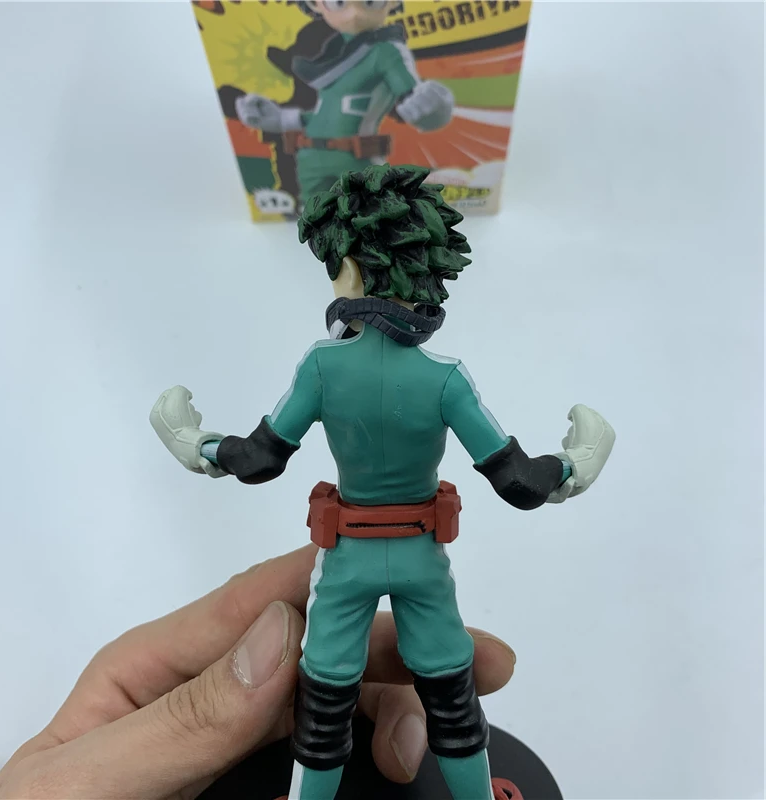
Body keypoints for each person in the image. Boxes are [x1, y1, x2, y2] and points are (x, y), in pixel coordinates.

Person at [148, 165, 615, 799]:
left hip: (347, 559)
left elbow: (259, 459)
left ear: (354, 269)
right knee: (451, 694)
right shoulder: (446, 378)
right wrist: (574, 463)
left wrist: (196, 443)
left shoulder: (322, 367)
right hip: (423, 558)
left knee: (325, 699)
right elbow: (521, 483)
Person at [0, 546, 517, 799]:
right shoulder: (327, 371)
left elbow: (506, 463)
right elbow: (264, 447)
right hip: (356, 561)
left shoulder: (435, 377)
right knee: (328, 703)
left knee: (447, 691)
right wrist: (211, 449)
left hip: (409, 558)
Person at [235, 0, 454, 204]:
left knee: (367, 216)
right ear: (315, 4)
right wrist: (282, 119)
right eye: (338, 2)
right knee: (314, 218)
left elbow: (415, 99)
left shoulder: (385, 52)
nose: (354, 13)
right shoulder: (332, 57)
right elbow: (327, 112)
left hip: (355, 158)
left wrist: (435, 108)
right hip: (310, 158)